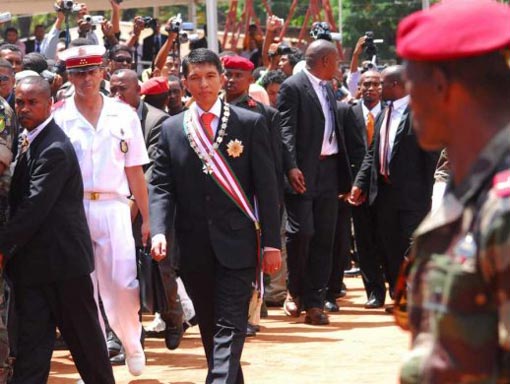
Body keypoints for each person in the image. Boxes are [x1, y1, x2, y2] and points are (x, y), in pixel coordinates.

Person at [149, 48, 281, 384]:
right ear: (185, 82)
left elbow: (267, 189)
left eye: (210, 76)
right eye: (195, 77)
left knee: (230, 322)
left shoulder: (250, 123)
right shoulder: (172, 129)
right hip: (193, 247)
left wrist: (271, 244)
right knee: (210, 326)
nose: (204, 84)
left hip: (238, 244)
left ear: (222, 79)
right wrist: (160, 229)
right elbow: (162, 186)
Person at [394, 0, 510, 382]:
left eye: (411, 86)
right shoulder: (470, 191)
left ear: (441, 86)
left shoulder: (502, 207)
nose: (409, 105)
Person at [0, 76, 114, 383]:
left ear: (50, 104)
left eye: (32, 102)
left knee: (87, 348)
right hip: (33, 269)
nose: (24, 108)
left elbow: (33, 208)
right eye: (20, 102)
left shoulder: (54, 148)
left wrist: (2, 247)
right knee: (32, 350)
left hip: (64, 269)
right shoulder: (29, 141)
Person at [53, 45, 149, 376]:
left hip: (114, 206)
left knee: (122, 283)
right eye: (78, 73)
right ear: (69, 76)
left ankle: (131, 341)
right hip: (72, 209)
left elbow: (135, 170)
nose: (86, 79)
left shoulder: (124, 114)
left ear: (102, 71)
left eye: (91, 71)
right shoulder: (60, 116)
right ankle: (92, 362)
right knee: (83, 290)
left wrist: (149, 218)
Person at [348, 65, 439, 308]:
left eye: (382, 84)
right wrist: (360, 183)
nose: (377, 89)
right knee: (389, 248)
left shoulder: (421, 112)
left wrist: (427, 192)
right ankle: (399, 295)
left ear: (396, 86)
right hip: (385, 195)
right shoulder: (384, 113)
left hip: (413, 197)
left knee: (412, 247)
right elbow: (372, 153)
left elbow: (431, 156)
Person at [278, 39, 351, 325]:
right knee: (302, 233)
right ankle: (294, 289)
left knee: (324, 236)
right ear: (324, 61)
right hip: (303, 172)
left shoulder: (330, 89)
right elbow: (285, 130)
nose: (339, 66)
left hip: (329, 171)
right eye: (336, 61)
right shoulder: (293, 86)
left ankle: (315, 302)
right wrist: (291, 167)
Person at [344, 70, 386, 308]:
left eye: (375, 84)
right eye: (365, 84)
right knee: (364, 241)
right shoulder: (348, 113)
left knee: (388, 241)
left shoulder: (392, 113)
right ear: (358, 87)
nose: (369, 88)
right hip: (356, 191)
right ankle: (374, 292)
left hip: (385, 189)